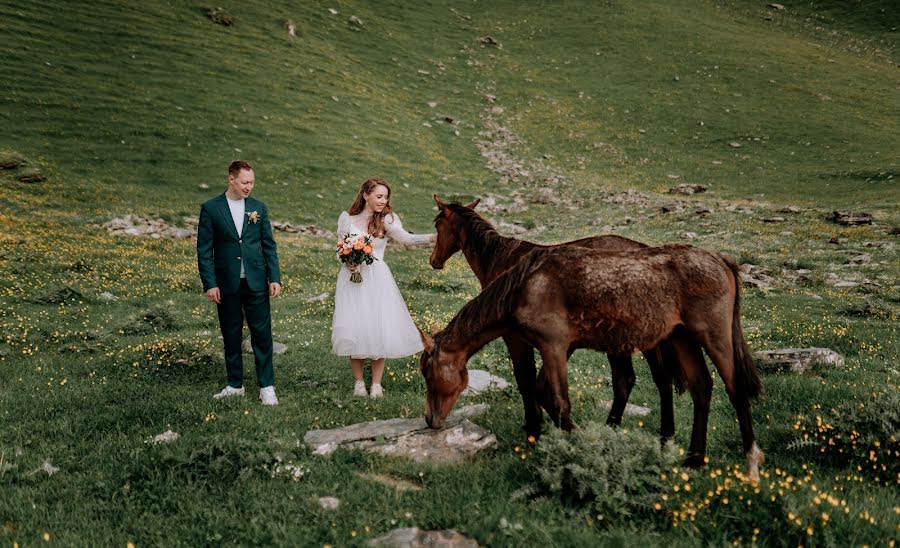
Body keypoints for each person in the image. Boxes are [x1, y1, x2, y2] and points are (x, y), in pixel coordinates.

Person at [332, 176, 436, 398]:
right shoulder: (347, 220)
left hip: (378, 279)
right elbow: (339, 250)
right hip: (351, 281)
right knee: (355, 327)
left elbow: (406, 239)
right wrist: (347, 261)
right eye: (379, 196)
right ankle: (359, 382)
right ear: (365, 195)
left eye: (385, 197)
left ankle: (376, 384)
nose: (383, 201)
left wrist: (432, 238)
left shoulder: (387, 220)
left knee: (378, 327)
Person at [197, 160, 283, 405]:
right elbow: (204, 250)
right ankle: (235, 385)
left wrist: (274, 277)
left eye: (252, 182)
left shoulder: (258, 208)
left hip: (256, 281)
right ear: (231, 179)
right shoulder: (211, 208)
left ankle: (267, 386)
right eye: (245, 182)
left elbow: (269, 245)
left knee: (262, 334)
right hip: (226, 283)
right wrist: (210, 283)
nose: (249, 187)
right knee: (231, 333)